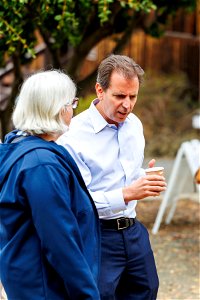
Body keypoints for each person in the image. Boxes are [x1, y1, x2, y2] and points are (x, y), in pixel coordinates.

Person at [57, 54, 167, 300]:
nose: (127, 105)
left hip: (134, 231)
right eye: (119, 96)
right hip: (97, 237)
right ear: (100, 90)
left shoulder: (134, 125)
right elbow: (79, 204)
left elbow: (125, 175)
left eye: (133, 96)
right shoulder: (73, 137)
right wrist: (128, 193)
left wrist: (145, 178)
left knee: (147, 291)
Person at [0, 70, 101, 300]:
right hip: (46, 287)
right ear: (56, 108)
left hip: (29, 280)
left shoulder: (19, 147)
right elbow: (59, 239)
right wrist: (87, 294)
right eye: (71, 103)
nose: (72, 110)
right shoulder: (41, 165)